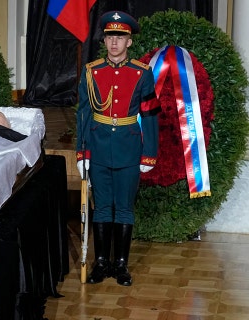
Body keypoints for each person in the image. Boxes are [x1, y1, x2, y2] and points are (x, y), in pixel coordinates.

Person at [75, 11, 160, 287]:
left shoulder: (142, 74)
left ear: (129, 42)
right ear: (104, 39)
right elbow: (84, 115)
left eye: (120, 37)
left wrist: (149, 153)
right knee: (101, 208)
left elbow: (149, 115)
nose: (114, 42)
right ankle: (101, 263)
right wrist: (82, 153)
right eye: (110, 36)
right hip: (98, 148)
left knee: (123, 208)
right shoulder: (91, 72)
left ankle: (121, 265)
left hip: (129, 147)